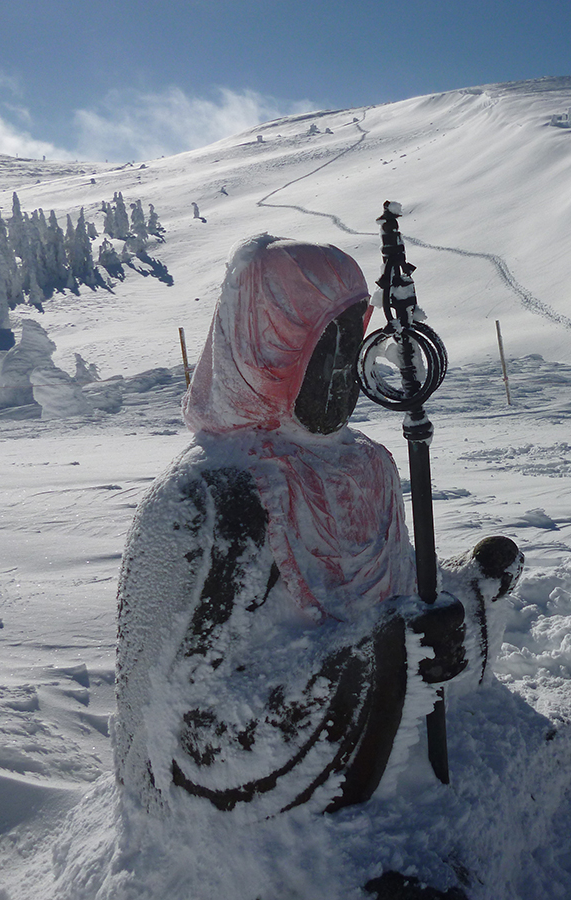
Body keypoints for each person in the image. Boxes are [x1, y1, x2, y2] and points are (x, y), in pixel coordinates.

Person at [113, 234, 521, 820]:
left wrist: (464, 599)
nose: (342, 377)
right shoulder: (212, 497)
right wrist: (381, 658)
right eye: (319, 352)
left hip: (372, 712)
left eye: (350, 349)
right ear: (264, 355)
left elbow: (399, 593)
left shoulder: (368, 464)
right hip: (252, 754)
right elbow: (186, 725)